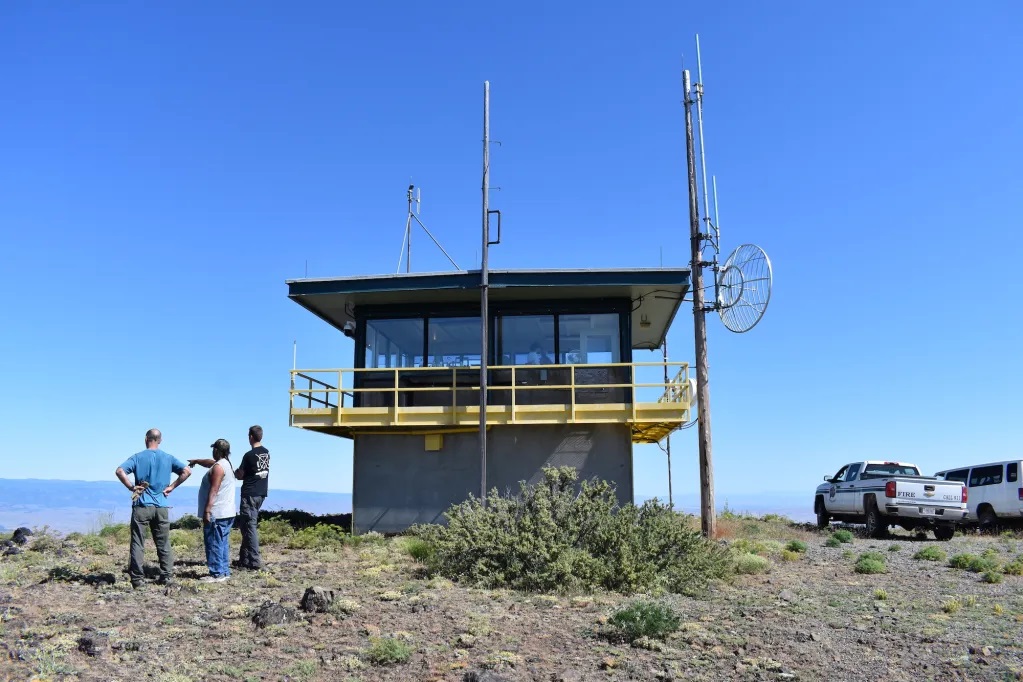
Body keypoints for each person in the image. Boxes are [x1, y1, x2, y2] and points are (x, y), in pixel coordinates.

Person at [115, 428, 191, 588]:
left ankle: (137, 580)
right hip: (161, 505)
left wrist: (131, 487)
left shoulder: (137, 457)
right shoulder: (168, 458)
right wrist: (172, 487)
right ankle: (167, 576)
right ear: (160, 440)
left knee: (138, 543)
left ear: (146, 439)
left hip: (142, 505)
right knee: (163, 543)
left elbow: (120, 471)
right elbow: (186, 471)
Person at [190, 439, 237, 582]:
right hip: (227, 512)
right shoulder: (225, 464)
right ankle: (223, 571)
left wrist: (207, 510)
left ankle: (216, 573)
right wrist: (197, 461)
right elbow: (210, 463)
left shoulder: (218, 468)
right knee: (222, 542)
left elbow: (214, 490)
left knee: (214, 542)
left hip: (217, 512)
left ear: (217, 450)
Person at [234, 425, 270, 570]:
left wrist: (235, 473)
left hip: (249, 493)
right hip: (261, 492)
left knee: (249, 527)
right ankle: (244, 559)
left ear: (250, 437)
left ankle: (254, 561)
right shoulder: (266, 453)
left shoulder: (248, 455)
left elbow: (241, 474)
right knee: (246, 526)